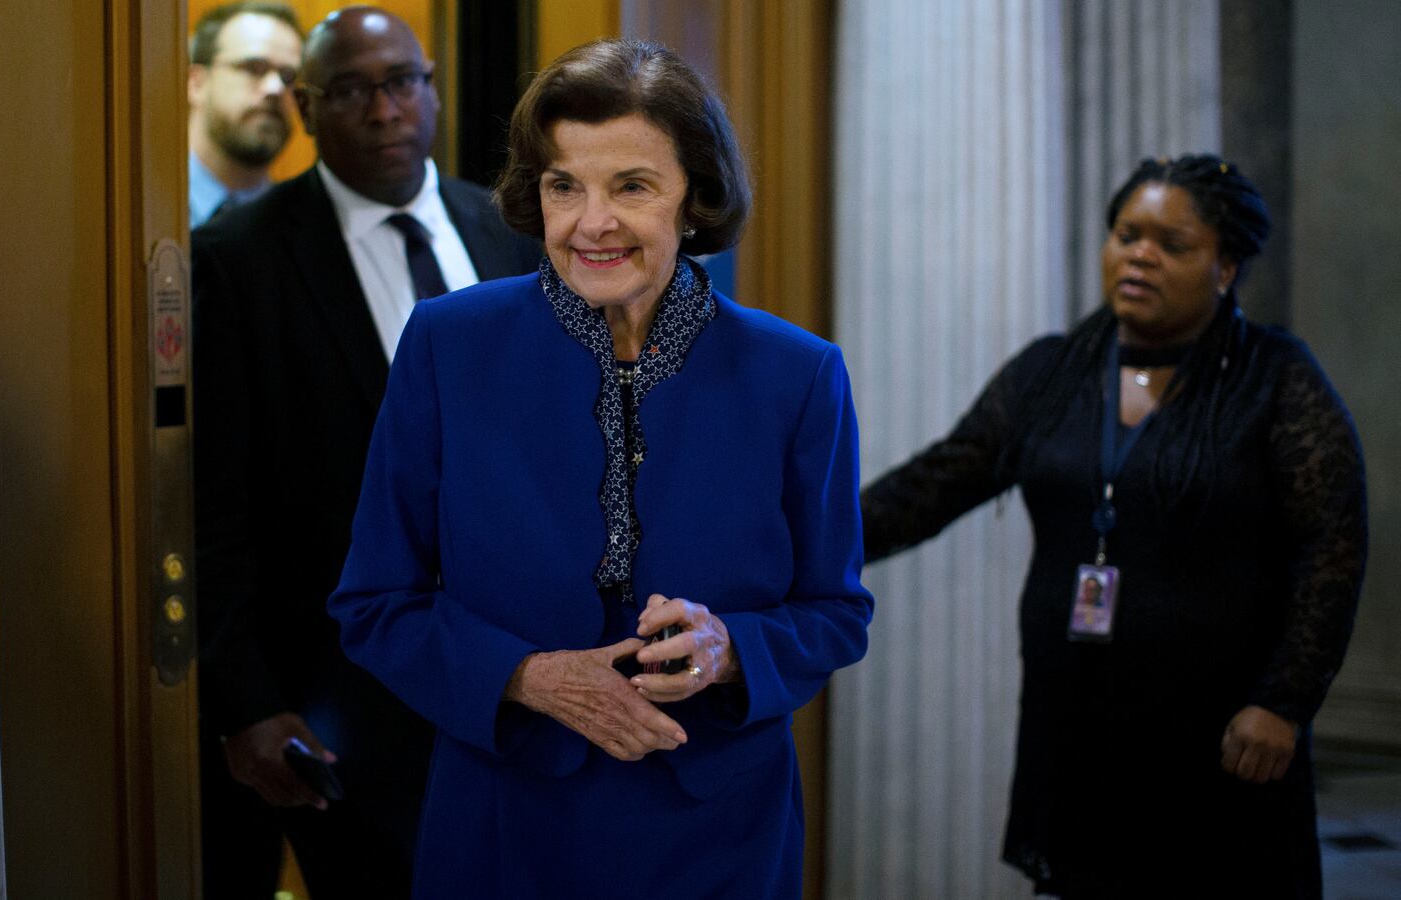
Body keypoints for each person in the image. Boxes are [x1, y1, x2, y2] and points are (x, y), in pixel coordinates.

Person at [328, 39, 873, 899]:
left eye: (632, 186)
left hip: (720, 831)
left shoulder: (798, 373)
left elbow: (837, 613)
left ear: (695, 196)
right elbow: (373, 607)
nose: (592, 223)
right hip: (503, 825)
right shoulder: (446, 346)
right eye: (563, 186)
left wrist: (732, 650)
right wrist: (528, 677)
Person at [860, 154, 1367, 898]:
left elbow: (1333, 545)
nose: (1140, 255)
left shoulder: (1276, 377)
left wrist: (1284, 701)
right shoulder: (1053, 372)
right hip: (1077, 724)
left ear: (1225, 266)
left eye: (1172, 244)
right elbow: (933, 484)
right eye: (1127, 235)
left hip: (1222, 731)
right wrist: (791, 545)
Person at [190, 7, 540, 898]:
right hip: (342, 694)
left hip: (519, 674)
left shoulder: (513, 232)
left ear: (429, 88)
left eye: (400, 83)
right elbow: (214, 505)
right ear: (308, 108)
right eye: (350, 90)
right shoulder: (237, 260)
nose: (384, 112)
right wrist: (249, 704)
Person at [188, 2, 303, 228]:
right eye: (253, 68)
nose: (275, 88)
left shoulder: (304, 227)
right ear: (197, 84)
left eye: (288, 77)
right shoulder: (141, 210)